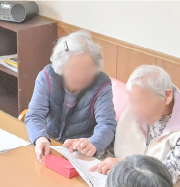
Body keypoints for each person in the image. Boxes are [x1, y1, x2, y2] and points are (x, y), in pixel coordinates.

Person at [26, 30, 117, 163]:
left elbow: (107, 124)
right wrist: (40, 138)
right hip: (50, 143)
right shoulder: (47, 77)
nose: (81, 75)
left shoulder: (102, 84)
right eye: (74, 68)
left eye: (87, 69)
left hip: (80, 152)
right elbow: (34, 115)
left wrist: (93, 144)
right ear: (61, 66)